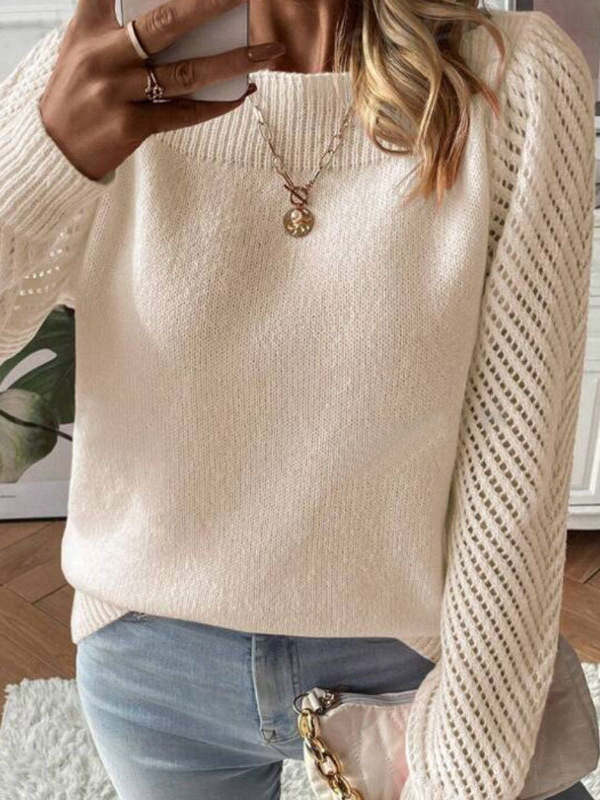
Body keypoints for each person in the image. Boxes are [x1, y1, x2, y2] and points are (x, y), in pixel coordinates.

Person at [0, 0, 596, 798]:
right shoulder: (104, 68)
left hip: (417, 653)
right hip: (153, 665)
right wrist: (50, 160)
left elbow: (517, 465)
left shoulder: (515, 80)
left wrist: (468, 764)